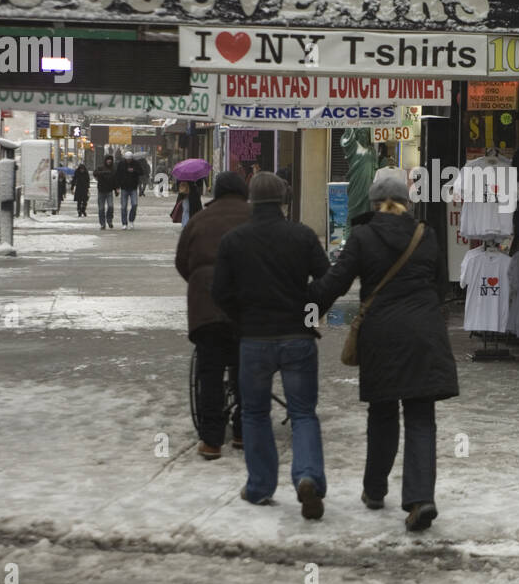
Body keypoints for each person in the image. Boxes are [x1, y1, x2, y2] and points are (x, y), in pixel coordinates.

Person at [308, 174, 458, 532]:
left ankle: (375, 490)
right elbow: (441, 288)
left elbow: (333, 284)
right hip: (425, 334)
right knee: (421, 417)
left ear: (374, 205)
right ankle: (421, 499)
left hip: (381, 335)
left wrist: (299, 308)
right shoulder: (426, 234)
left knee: (383, 413)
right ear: (407, 202)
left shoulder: (363, 236)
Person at [212, 171, 331, 519]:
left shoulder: (234, 240)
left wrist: (241, 318)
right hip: (298, 338)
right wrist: (311, 312)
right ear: (283, 201)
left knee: (254, 413)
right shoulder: (303, 235)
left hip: (254, 341)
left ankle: (261, 486)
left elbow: (220, 291)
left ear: (251, 200)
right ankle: (307, 476)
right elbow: (327, 279)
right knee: (303, 413)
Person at [176, 172, 253, 459]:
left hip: (206, 307)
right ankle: (243, 432)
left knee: (209, 372)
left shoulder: (198, 220)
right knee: (246, 367)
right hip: (246, 308)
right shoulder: (255, 217)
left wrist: (198, 284)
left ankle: (211, 440)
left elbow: (181, 261)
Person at [116, 150, 143, 229]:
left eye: (130, 159)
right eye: (127, 159)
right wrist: (117, 187)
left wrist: (134, 170)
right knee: (123, 206)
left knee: (134, 204)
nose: (128, 161)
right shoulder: (121, 164)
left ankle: (131, 220)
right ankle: (124, 223)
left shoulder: (136, 163)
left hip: (133, 187)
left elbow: (141, 172)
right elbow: (118, 175)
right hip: (124, 188)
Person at [94, 154, 117, 229]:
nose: (109, 161)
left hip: (109, 191)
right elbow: (95, 173)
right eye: (108, 159)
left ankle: (109, 220)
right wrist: (103, 173)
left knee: (110, 206)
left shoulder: (113, 169)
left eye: (110, 159)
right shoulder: (100, 167)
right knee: (101, 208)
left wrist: (116, 189)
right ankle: (102, 223)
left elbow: (114, 180)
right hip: (101, 190)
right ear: (105, 160)